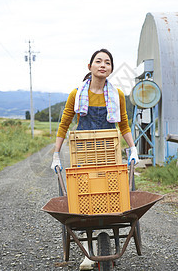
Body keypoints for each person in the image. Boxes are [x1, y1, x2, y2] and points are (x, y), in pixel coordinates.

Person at [51, 48, 139, 270]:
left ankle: (96, 251)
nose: (102, 65)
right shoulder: (76, 94)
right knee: (84, 201)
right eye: (98, 61)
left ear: (110, 68)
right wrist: (55, 154)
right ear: (89, 66)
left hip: (109, 152)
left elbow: (123, 124)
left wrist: (133, 148)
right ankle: (88, 253)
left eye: (107, 62)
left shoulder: (117, 94)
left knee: (110, 196)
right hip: (83, 153)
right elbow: (64, 124)